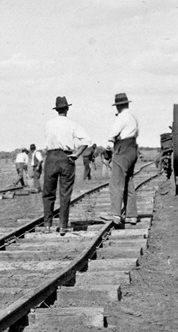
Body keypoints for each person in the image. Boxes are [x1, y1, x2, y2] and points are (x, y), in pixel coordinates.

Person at [43, 96, 91, 234]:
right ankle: (63, 226)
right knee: (65, 193)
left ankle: (47, 225)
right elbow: (86, 140)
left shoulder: (49, 123)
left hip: (51, 157)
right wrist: (76, 154)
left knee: (48, 193)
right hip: (66, 157)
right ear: (67, 109)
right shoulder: (72, 124)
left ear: (56, 109)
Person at [100, 92, 140, 226]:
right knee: (128, 181)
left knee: (116, 182)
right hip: (132, 148)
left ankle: (115, 214)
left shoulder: (121, 117)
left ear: (117, 106)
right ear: (127, 103)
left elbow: (112, 134)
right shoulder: (133, 117)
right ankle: (131, 215)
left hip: (122, 148)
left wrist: (108, 147)